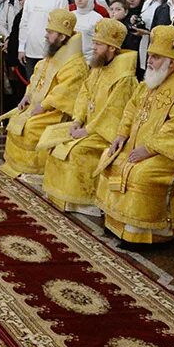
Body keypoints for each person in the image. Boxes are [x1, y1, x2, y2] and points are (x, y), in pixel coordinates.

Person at [97, 26, 174, 244]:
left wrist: (149, 149)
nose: (150, 60)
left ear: (172, 62)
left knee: (140, 174)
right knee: (110, 157)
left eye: (155, 57)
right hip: (142, 146)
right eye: (150, 55)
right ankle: (119, 222)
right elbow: (131, 107)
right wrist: (121, 135)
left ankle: (151, 230)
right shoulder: (152, 80)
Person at [42, 19, 138, 214]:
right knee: (54, 142)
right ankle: (59, 195)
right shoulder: (97, 66)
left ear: (111, 48)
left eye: (98, 44)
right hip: (86, 125)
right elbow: (84, 95)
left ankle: (82, 201)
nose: (93, 47)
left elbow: (113, 112)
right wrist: (77, 120)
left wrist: (87, 130)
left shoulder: (124, 78)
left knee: (76, 152)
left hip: (105, 134)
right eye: (93, 42)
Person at [1, 9, 88, 179]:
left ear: (62, 37)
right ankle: (16, 165)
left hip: (57, 111)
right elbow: (38, 77)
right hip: (38, 105)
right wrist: (28, 96)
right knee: (17, 119)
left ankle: (34, 169)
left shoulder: (75, 63)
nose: (46, 35)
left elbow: (64, 91)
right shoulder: (54, 53)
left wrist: (44, 106)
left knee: (31, 127)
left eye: (50, 32)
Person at [18, 0, 69, 77]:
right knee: (31, 87)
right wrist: (21, 47)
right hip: (30, 50)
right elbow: (24, 23)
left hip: (50, 51)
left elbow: (63, 28)